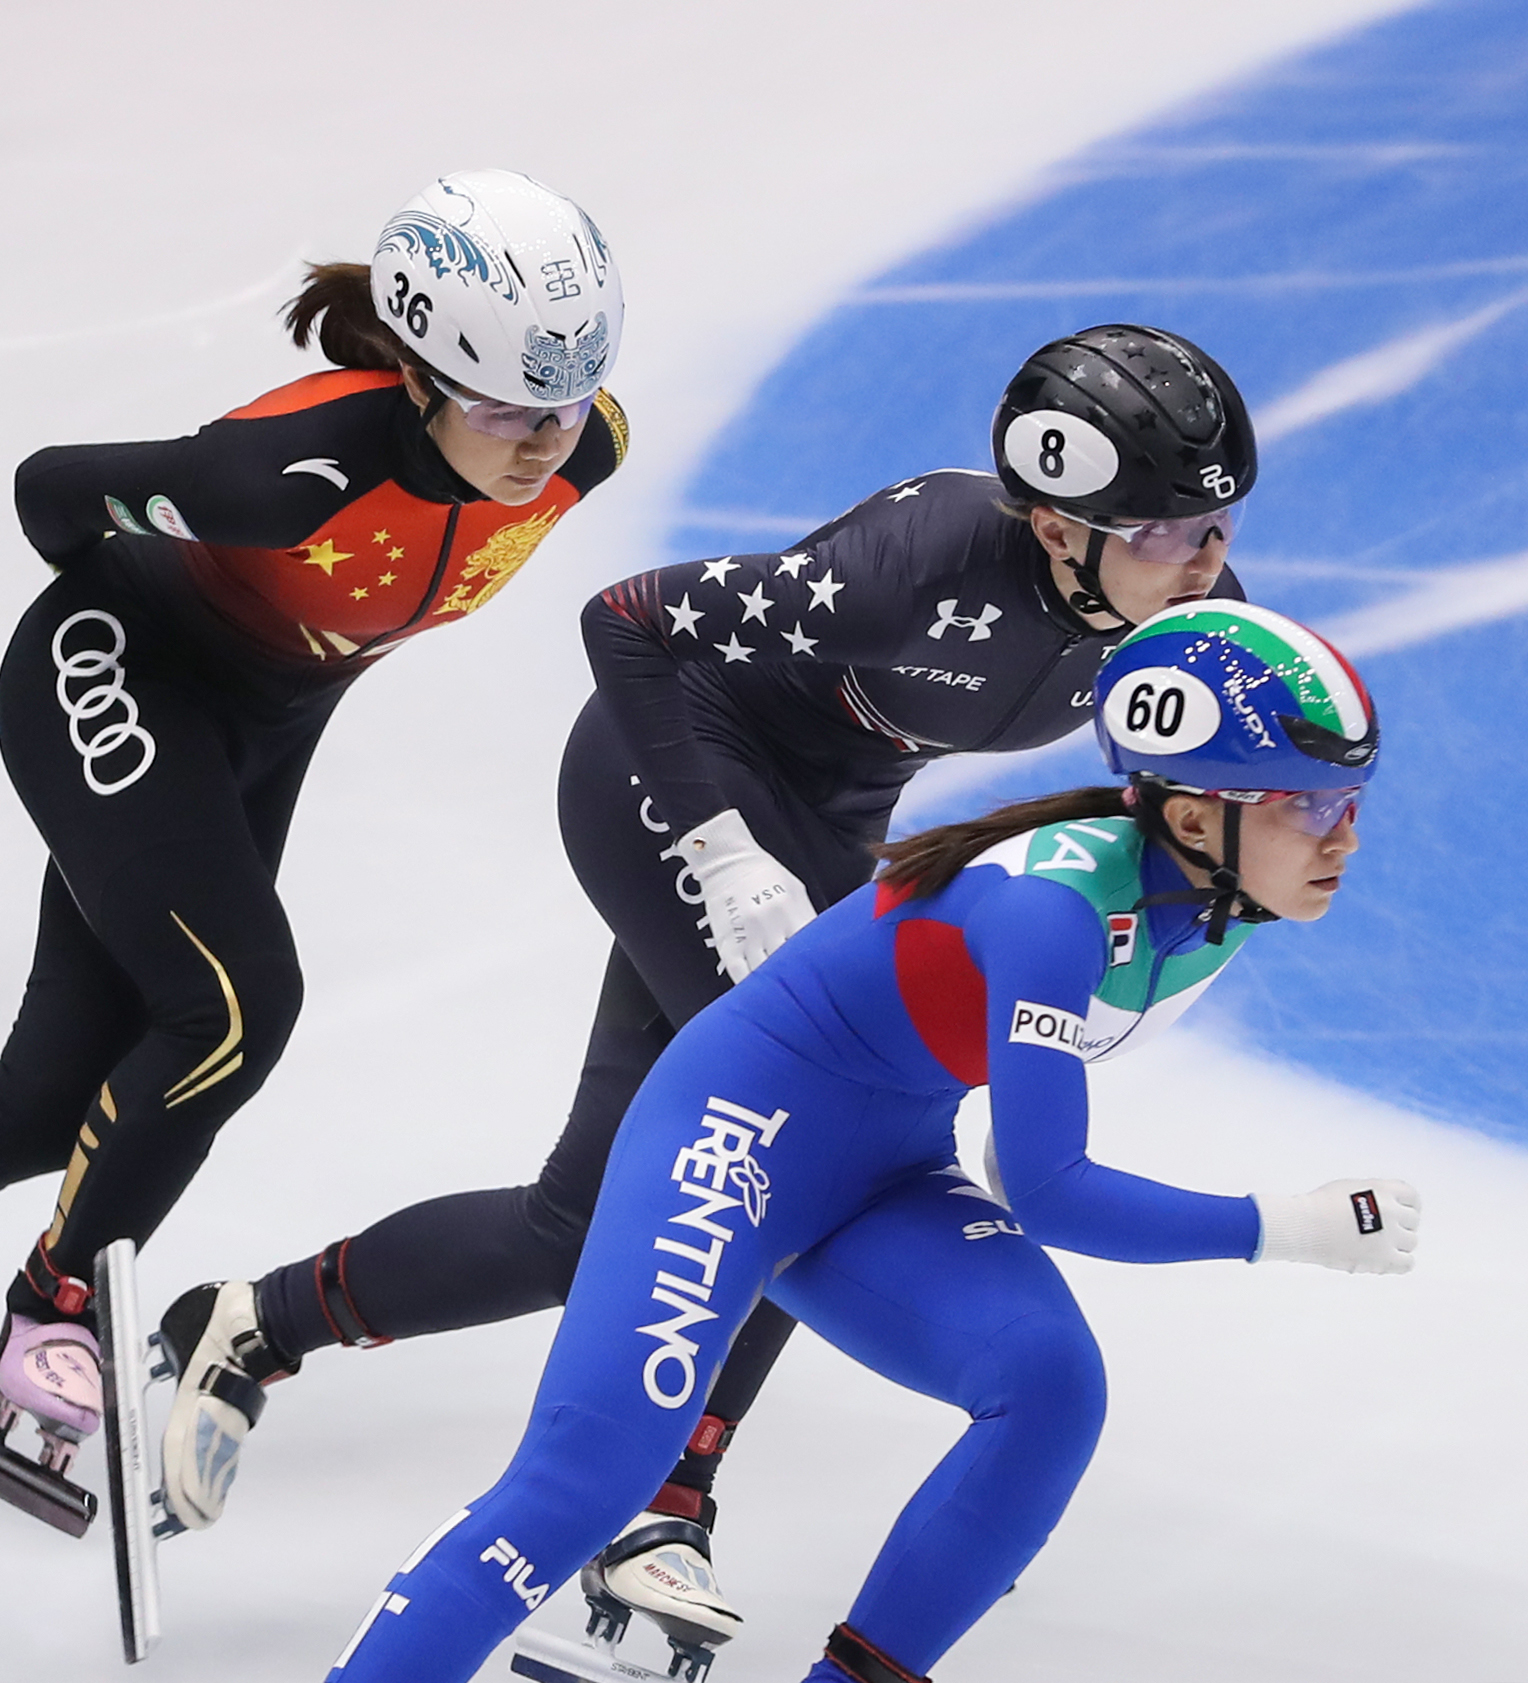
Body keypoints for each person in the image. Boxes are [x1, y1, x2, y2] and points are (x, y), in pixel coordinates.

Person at [147, 322, 1257, 1653]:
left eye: (1219, 526)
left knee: (580, 1215)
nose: (1211, 562)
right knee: (831, 1138)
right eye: (1174, 532)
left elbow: (1210, 778)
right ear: (1059, 523)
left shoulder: (1185, 611)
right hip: (667, 785)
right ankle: (663, 1500)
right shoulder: (913, 565)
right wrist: (724, 854)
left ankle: (253, 1321)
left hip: (825, 834)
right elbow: (623, 625)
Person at [0, 170, 631, 1500]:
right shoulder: (279, 474)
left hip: (254, 730)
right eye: (507, 407)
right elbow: (53, 493)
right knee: (232, 1006)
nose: (545, 440)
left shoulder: (585, 441)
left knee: (32, 1117)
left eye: (563, 401)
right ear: (417, 371)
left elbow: (517, 473)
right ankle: (55, 1306)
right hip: (112, 674)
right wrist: (139, 610)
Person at [324, 599, 1418, 1683]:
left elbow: (1019, 1147)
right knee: (587, 1479)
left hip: (885, 1163)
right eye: (1316, 807)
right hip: (734, 1131)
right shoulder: (1055, 916)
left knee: (1048, 1386)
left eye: (1353, 801)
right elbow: (1051, 1191)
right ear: (1194, 817)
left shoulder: (1209, 906)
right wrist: (1283, 1227)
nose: (1347, 837)